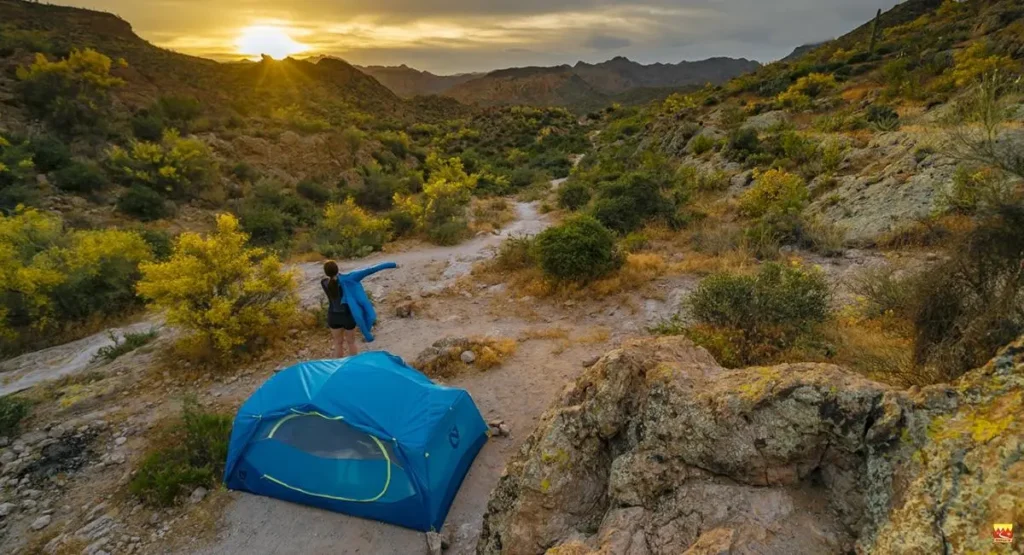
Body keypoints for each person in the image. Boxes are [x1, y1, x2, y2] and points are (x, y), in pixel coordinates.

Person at [321, 260, 398, 358]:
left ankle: (338, 366)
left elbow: (334, 280)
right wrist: (393, 264)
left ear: (326, 272)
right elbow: (371, 269)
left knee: (338, 344)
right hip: (347, 316)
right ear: (337, 268)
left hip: (333, 317)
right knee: (351, 342)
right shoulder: (349, 278)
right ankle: (353, 364)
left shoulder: (324, 282)